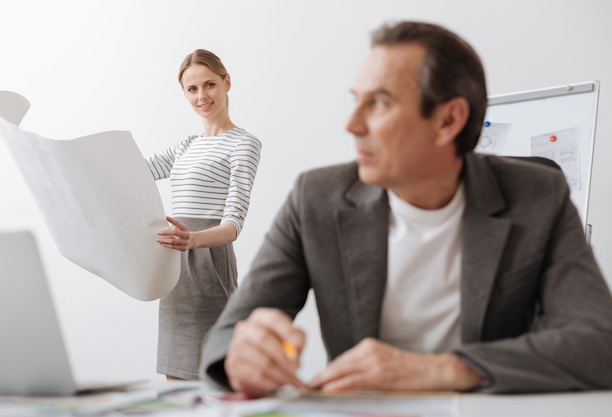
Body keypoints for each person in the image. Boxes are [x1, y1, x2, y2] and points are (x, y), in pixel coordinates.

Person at [200, 21, 612, 396]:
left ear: (448, 120)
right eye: (355, 100)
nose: (352, 124)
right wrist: (242, 357)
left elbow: (599, 343)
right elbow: (226, 337)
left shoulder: (538, 194)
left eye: (378, 104)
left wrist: (445, 369)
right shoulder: (316, 197)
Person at [146, 49, 261, 380]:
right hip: (174, 263)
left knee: (215, 374)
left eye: (209, 84)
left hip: (208, 259)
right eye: (192, 89)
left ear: (227, 83)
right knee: (176, 375)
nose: (202, 96)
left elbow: (233, 225)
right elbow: (135, 172)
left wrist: (191, 240)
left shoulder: (243, 143)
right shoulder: (185, 145)